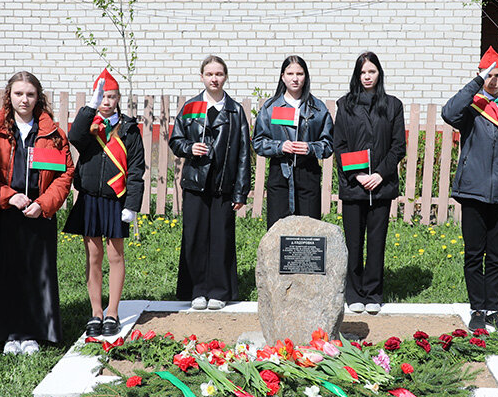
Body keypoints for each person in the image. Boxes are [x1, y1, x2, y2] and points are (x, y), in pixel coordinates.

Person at [0, 71, 76, 352]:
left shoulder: (53, 134)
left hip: (38, 215)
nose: (24, 100)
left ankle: (31, 333)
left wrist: (43, 204)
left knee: (34, 273)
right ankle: (7, 332)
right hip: (2, 214)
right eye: (18, 94)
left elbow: (65, 174)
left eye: (30, 94)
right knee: (4, 274)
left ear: (38, 97)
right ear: (9, 96)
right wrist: (8, 196)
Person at [441, 47, 498, 330]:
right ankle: (477, 309)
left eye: (497, 75)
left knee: (496, 257)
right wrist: (476, 83)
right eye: (488, 75)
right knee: (473, 255)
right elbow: (448, 113)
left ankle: (493, 309)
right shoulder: (471, 105)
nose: (493, 80)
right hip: (473, 191)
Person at [64, 69, 145, 339]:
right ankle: (96, 311)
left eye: (111, 96)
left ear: (118, 98)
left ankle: (113, 311)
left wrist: (132, 204)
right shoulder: (88, 125)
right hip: (90, 199)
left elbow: (136, 169)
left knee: (115, 256)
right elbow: (74, 137)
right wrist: (90, 107)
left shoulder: (129, 128)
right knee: (93, 256)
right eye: (102, 97)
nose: (106, 102)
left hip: (116, 200)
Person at [170, 56, 252, 310]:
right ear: (202, 77)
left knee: (221, 237)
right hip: (195, 182)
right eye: (209, 74)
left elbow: (243, 153)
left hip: (223, 184)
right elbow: (175, 140)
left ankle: (219, 290)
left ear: (225, 77)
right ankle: (196, 290)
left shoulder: (235, 110)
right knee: (194, 236)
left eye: (219, 74)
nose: (214, 79)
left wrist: (241, 191)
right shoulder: (191, 107)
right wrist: (189, 147)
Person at [332, 51, 406, 314]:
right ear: (357, 75)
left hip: (381, 186)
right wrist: (358, 175)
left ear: (379, 74)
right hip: (354, 186)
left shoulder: (393, 105)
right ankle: (354, 293)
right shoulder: (345, 105)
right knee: (353, 243)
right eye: (362, 72)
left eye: (371, 71)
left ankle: (373, 293)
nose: (367, 76)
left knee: (376, 242)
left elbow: (398, 146)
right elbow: (340, 145)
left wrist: (380, 174)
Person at [252, 55, 333, 230]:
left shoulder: (318, 108)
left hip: (308, 175)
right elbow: (258, 142)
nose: (295, 78)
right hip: (280, 174)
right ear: (282, 77)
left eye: (299, 74)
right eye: (290, 74)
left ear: (306, 76)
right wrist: (279, 146)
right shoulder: (270, 108)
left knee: (309, 233)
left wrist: (310, 147)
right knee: (279, 231)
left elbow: (328, 144)